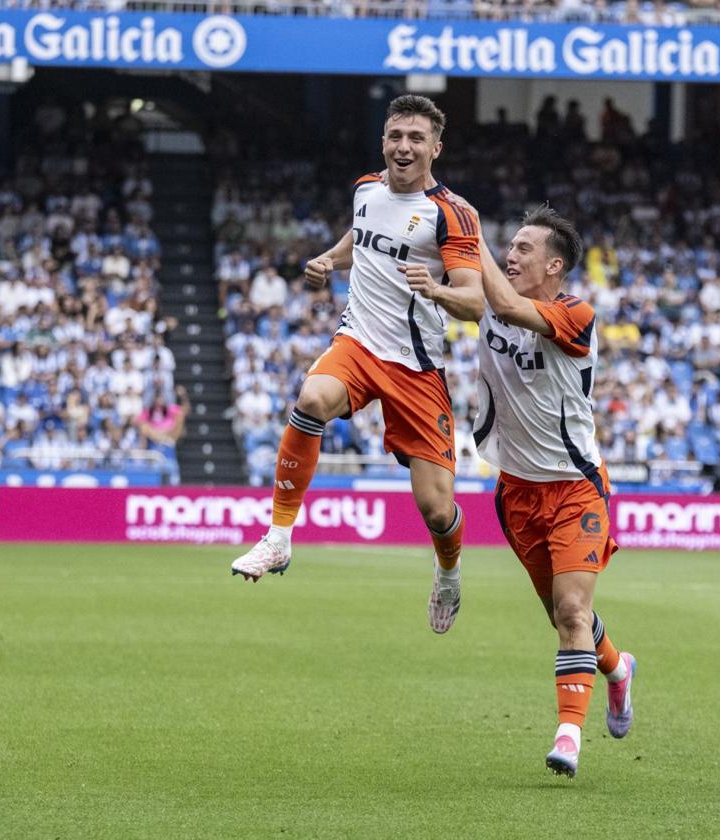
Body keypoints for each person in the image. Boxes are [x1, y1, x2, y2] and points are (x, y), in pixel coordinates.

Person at [229, 95, 485, 636]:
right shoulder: (365, 189)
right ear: (383, 141)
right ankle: (278, 537)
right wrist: (329, 258)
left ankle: (448, 571)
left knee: (437, 511)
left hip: (416, 367)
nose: (403, 146)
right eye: (395, 135)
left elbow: (475, 302)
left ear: (436, 148)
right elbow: (361, 238)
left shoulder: (452, 213)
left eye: (416, 138)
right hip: (360, 343)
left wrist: (435, 288)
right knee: (311, 399)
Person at [472, 206, 635, 778]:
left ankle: (568, 736)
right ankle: (616, 669)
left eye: (521, 249)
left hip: (575, 489)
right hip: (516, 490)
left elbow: (509, 305)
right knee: (565, 617)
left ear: (554, 265)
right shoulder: (492, 302)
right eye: (507, 248)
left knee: (572, 609)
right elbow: (467, 294)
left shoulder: (575, 314)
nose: (509, 256)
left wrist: (467, 229)